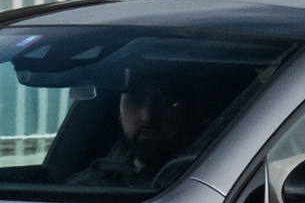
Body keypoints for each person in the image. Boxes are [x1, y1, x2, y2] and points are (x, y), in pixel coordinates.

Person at [66, 67, 213, 189]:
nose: (147, 116)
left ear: (187, 111)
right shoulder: (88, 184)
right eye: (135, 101)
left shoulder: (213, 174)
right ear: (119, 114)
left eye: (164, 102)